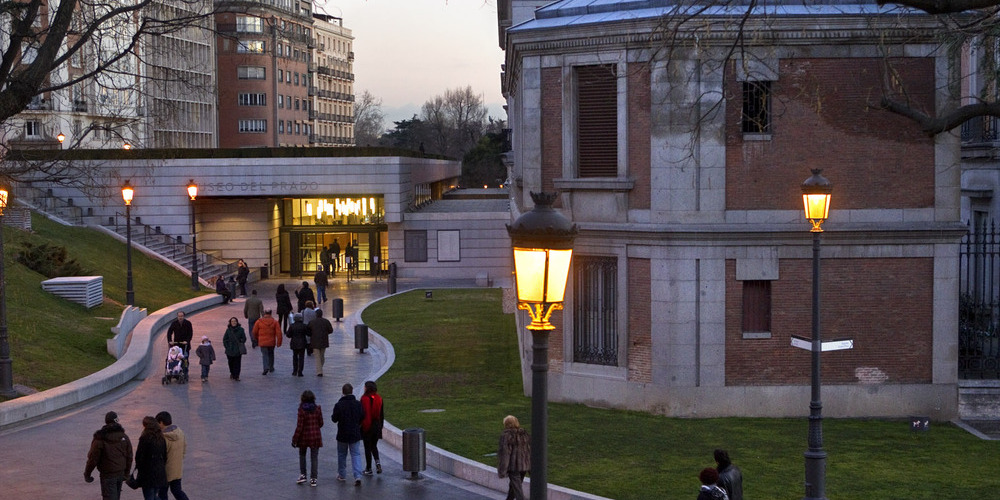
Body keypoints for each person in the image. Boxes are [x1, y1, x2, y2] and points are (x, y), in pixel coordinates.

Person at [84, 411, 133, 500]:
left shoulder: (100, 438)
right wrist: (126, 473)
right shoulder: (124, 437)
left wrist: (87, 474)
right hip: (120, 473)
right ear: (116, 421)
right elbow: (129, 456)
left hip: (108, 475)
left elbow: (93, 459)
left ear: (106, 421)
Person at [332, 383, 365, 485]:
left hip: (342, 433)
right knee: (355, 454)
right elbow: (362, 416)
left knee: (342, 454)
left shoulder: (339, 405)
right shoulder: (358, 404)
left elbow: (334, 419)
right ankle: (358, 475)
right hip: (354, 432)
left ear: (343, 392)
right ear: (352, 391)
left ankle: (342, 474)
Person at [292, 390, 324, 487]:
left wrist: (294, 439)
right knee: (314, 457)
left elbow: (299, 426)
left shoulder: (301, 410)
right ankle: (313, 478)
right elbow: (321, 423)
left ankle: (303, 475)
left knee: (302, 455)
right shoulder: (318, 409)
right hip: (315, 436)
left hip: (304, 437)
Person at [155, 412, 189, 500]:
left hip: (165, 471)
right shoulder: (180, 432)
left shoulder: (163, 438)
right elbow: (184, 448)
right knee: (177, 490)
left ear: (161, 422)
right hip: (177, 469)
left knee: (162, 493)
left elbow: (160, 456)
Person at [496, 415, 531, 500]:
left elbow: (505, 454)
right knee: (514, 486)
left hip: (513, 466)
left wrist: (502, 470)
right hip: (524, 466)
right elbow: (529, 450)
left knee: (517, 488)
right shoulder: (524, 434)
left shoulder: (506, 436)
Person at [135, 416, 167, 500]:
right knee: (154, 495)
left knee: (149, 496)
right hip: (159, 472)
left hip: (148, 474)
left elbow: (139, 456)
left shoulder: (145, 438)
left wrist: (139, 468)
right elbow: (165, 456)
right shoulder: (161, 437)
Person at [360, 381, 384, 475]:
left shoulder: (364, 399)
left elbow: (362, 414)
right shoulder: (379, 399)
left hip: (367, 426)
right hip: (377, 426)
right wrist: (380, 426)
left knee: (367, 447)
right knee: (374, 446)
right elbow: (381, 414)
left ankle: (368, 468)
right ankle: (378, 463)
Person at [253, 309, 282, 375]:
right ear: (271, 313)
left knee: (264, 355)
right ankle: (271, 367)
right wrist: (279, 342)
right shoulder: (275, 322)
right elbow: (279, 333)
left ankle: (265, 367)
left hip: (262, 342)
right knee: (271, 354)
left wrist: (256, 338)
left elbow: (254, 331)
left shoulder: (259, 321)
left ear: (264, 313)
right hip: (271, 342)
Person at [308, 309, 333, 376]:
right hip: (324, 341)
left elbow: (308, 332)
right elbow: (331, 330)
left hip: (315, 341)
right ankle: (320, 369)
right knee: (322, 356)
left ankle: (319, 371)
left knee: (317, 357)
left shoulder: (312, 322)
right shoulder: (326, 321)